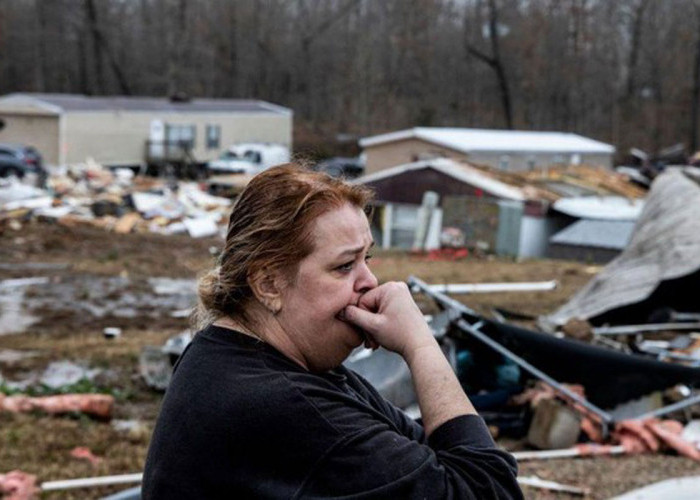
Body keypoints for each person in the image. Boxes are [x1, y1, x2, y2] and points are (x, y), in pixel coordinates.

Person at [142, 164, 522, 499]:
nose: (370, 281)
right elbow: (490, 491)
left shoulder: (244, 359)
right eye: (344, 266)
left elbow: (433, 460)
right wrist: (421, 345)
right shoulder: (283, 405)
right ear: (269, 284)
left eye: (366, 259)